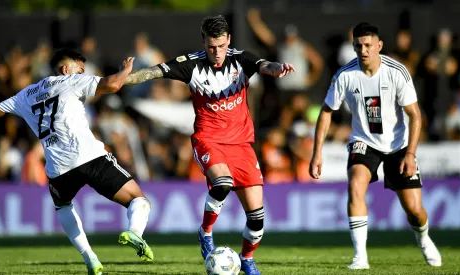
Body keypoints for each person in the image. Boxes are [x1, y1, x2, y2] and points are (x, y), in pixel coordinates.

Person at [123, 15, 295, 275]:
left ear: (229, 41)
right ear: (203, 41)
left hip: (242, 144)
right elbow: (154, 72)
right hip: (209, 139)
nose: (217, 53)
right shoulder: (191, 65)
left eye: (222, 46)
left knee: (257, 218)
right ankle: (205, 232)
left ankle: (247, 259)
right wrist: (123, 78)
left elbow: (265, 65)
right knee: (222, 183)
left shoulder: (241, 59)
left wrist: (277, 68)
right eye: (211, 47)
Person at [0, 49, 154, 275]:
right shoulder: (70, 81)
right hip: (89, 156)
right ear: (66, 70)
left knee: (63, 207)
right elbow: (113, 85)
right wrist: (125, 71)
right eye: (80, 69)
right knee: (139, 200)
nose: (83, 74)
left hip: (58, 168)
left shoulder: (26, 94)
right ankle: (135, 232)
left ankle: (90, 259)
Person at [309, 22, 441, 270]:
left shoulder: (396, 72)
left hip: (398, 144)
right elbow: (326, 112)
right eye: (359, 45)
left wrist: (410, 154)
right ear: (353, 46)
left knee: (414, 210)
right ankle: (361, 257)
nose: (364, 50)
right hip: (364, 142)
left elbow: (415, 114)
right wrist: (317, 153)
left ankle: (423, 238)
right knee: (355, 185)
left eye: (369, 45)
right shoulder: (344, 75)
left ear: (379, 45)